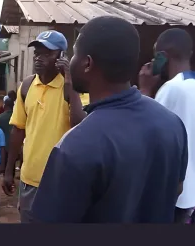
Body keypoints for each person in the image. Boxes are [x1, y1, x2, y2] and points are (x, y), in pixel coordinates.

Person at [29, 16, 188, 223]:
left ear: (87, 63)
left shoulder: (75, 145)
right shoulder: (173, 124)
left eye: (75, 53)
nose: (71, 60)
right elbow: (177, 188)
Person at [2, 30, 89, 222]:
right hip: (29, 180)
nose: (39, 58)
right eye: (37, 53)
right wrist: (9, 171)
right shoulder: (26, 86)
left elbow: (80, 125)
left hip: (62, 183)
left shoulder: (75, 89)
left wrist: (69, 81)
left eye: (47, 54)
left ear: (61, 57)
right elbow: (18, 130)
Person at [139, 28, 195, 224]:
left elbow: (144, 132)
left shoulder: (171, 88)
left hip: (177, 198)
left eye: (155, 57)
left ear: (163, 57)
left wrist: (145, 89)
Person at [0, 98, 15, 178]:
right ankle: (11, 178)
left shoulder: (0, 117)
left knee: (4, 161)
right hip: (15, 144)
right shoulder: (16, 116)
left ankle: (5, 176)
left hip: (3, 146)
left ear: (5, 106)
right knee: (12, 163)